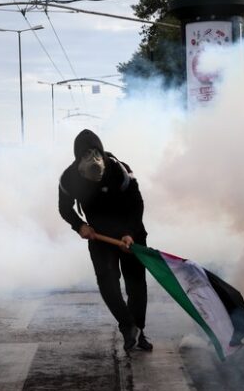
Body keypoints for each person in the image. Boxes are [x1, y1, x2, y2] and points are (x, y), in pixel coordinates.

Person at [58, 129, 152, 352]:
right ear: (77, 159)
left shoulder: (119, 170)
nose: (93, 160)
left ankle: (139, 331)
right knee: (108, 283)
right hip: (99, 236)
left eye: (96, 153)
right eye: (86, 155)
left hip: (130, 233)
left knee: (136, 284)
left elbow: (137, 203)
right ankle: (127, 326)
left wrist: (130, 232)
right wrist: (80, 225)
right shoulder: (69, 178)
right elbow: (64, 208)